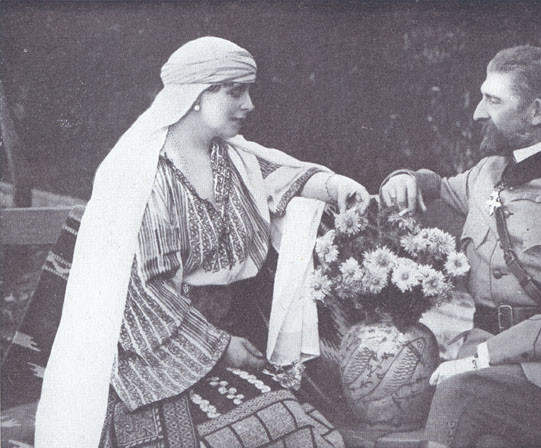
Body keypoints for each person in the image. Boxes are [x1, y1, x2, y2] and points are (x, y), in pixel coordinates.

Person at [35, 36, 369, 447]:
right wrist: (220, 348)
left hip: (227, 344)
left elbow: (285, 178)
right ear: (196, 95)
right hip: (154, 362)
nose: (249, 105)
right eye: (235, 92)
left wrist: (336, 186)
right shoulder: (147, 177)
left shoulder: (231, 158)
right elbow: (145, 294)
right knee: (275, 425)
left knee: (310, 426)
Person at [380, 45, 541, 447]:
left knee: (460, 397)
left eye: (493, 100)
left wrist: (484, 356)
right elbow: (439, 186)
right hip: (491, 369)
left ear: (534, 113)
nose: (478, 113)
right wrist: (406, 178)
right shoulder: (487, 174)